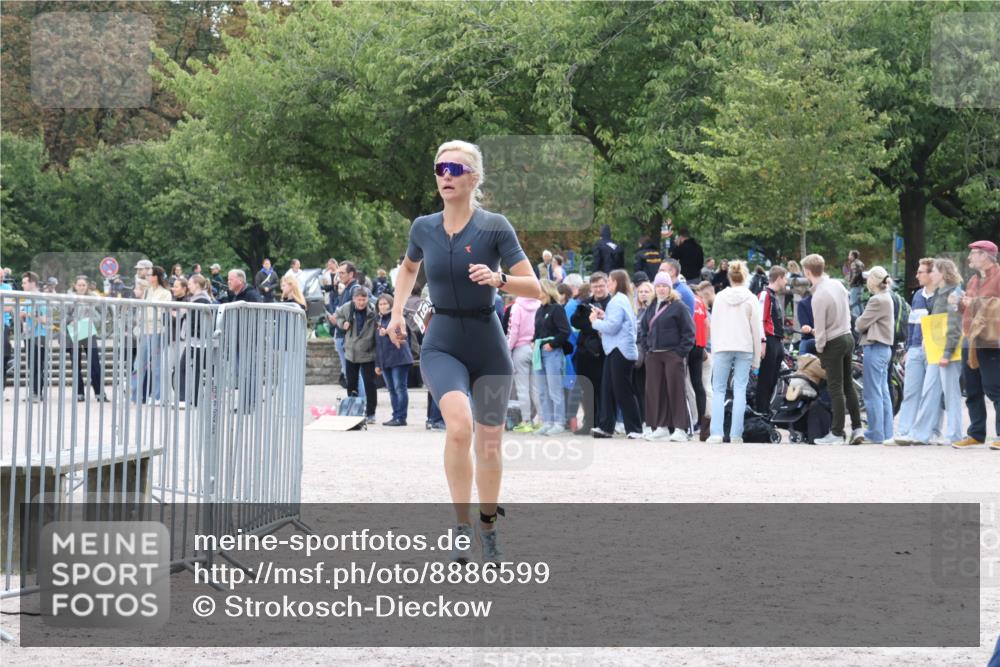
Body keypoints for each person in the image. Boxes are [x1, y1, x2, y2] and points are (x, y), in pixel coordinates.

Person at [385, 139, 540, 563]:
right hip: (443, 340)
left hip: (488, 341)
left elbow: (537, 289)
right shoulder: (423, 227)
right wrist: (397, 314)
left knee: (489, 442)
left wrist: (498, 278)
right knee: (458, 427)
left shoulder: (494, 226)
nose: (446, 176)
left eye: (455, 168)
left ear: (474, 177)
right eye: (439, 169)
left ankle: (488, 525)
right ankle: (461, 525)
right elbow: (408, 268)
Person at [899, 258, 965, 446]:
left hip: (946, 352)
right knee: (931, 391)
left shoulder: (953, 294)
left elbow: (953, 326)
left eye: (934, 271)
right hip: (937, 351)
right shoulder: (941, 294)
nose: (931, 274)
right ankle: (922, 433)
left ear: (943, 274)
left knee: (950, 394)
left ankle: (953, 435)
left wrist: (946, 353)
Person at [804, 254, 864, 445]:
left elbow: (820, 329)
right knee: (848, 385)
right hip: (847, 336)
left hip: (832, 342)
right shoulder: (837, 284)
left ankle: (837, 432)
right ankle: (857, 428)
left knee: (835, 388)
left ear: (807, 272)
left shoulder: (818, 296)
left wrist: (820, 349)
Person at [706, 261, 762, 443]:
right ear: (745, 276)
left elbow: (714, 325)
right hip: (744, 346)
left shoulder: (720, 297)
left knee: (719, 389)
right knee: (740, 389)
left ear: (729, 277)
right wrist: (756, 359)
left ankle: (716, 432)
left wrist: (714, 350)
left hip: (723, 346)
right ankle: (736, 434)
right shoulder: (751, 298)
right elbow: (756, 329)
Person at [953, 240, 1000, 450]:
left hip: (991, 341)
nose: (969, 257)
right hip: (969, 338)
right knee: (971, 388)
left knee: (994, 387)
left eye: (973, 254)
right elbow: (967, 310)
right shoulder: (973, 279)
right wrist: (961, 304)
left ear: (985, 256)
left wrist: (977, 303)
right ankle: (976, 434)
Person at [638, 273, 695, 441]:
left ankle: (680, 428)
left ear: (670, 287)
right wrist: (647, 349)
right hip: (654, 355)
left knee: (676, 390)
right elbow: (643, 330)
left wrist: (679, 354)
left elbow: (689, 332)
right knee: (656, 391)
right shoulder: (651, 306)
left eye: (664, 285)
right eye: (658, 285)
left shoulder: (678, 306)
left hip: (672, 354)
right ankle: (661, 426)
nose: (661, 288)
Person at [887, 258, 936, 445]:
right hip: (916, 349)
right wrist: (909, 348)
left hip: (933, 349)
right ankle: (904, 431)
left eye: (921, 272)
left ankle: (928, 432)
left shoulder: (940, 296)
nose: (916, 275)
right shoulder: (917, 296)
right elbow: (912, 325)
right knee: (910, 391)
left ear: (932, 274)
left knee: (931, 393)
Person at [590, 269, 643, 439]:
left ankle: (635, 428)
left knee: (622, 390)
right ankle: (606, 427)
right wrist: (604, 316)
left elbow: (613, 327)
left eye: (610, 281)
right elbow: (616, 322)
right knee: (608, 389)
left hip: (619, 350)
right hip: (616, 349)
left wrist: (595, 322)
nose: (607, 285)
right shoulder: (620, 300)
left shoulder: (617, 301)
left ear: (617, 283)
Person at [855, 266, 895, 444]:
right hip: (884, 349)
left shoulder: (876, 300)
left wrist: (858, 319)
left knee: (872, 393)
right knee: (883, 392)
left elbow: (859, 324)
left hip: (875, 347)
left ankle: (875, 432)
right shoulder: (888, 297)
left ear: (873, 281)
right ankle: (886, 432)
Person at [570, 273, 611, 435]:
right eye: (595, 287)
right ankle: (589, 422)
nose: (598, 289)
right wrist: (584, 315)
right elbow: (575, 323)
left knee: (603, 389)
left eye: (601, 286)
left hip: (603, 352)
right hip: (585, 351)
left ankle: (603, 423)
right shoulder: (586, 303)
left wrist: (594, 322)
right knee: (586, 390)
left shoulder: (612, 303)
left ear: (607, 284)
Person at [532, 280, 571, 436]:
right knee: (542, 390)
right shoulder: (539, 310)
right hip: (539, 352)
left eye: (539, 289)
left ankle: (559, 422)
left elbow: (565, 331)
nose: (537, 292)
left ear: (546, 290)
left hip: (552, 353)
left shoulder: (557, 309)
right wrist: (532, 342)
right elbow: (537, 332)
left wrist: (553, 344)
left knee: (554, 389)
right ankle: (547, 422)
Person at [336, 286, 379, 424]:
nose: (361, 303)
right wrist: (343, 324)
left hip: (368, 351)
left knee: (370, 384)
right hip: (351, 351)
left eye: (364, 299)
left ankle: (371, 413)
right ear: (354, 299)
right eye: (359, 300)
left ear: (367, 298)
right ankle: (353, 409)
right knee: (351, 383)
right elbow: (338, 317)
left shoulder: (373, 310)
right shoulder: (347, 307)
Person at [132, 266, 172, 404]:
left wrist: (148, 315)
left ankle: (156, 396)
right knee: (138, 364)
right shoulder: (147, 291)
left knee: (155, 365)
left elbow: (162, 312)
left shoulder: (165, 293)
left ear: (155, 277)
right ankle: (134, 395)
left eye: (149, 275)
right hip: (144, 330)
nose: (147, 277)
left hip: (157, 330)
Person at [65, 276, 107, 402]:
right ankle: (79, 393)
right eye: (79, 285)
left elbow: (102, 314)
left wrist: (92, 321)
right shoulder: (69, 298)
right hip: (74, 332)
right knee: (76, 364)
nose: (81, 287)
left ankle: (100, 393)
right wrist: (70, 321)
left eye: (84, 285)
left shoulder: (93, 298)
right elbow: (65, 314)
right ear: (75, 286)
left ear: (87, 286)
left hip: (88, 331)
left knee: (94, 363)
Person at [375, 294, 412, 426]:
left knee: (400, 388)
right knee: (391, 389)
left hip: (399, 358)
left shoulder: (396, 318)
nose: (383, 306)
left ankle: (401, 417)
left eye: (385, 304)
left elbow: (403, 337)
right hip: (386, 361)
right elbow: (378, 345)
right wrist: (378, 364)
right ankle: (395, 415)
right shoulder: (379, 321)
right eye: (380, 304)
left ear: (391, 304)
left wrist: (388, 333)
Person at [507, 291, 541, 432]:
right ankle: (542, 420)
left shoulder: (517, 307)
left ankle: (526, 421)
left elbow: (513, 331)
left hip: (520, 349)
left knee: (522, 388)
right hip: (535, 348)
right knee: (536, 388)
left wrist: (508, 349)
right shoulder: (539, 304)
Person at [755, 266, 788, 414]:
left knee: (773, 378)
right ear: (779, 278)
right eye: (785, 278)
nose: (786, 281)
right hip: (768, 340)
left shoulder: (773, 295)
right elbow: (760, 319)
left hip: (776, 340)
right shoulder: (765, 294)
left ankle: (766, 408)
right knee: (765, 379)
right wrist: (762, 341)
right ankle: (761, 410)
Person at [328, 260, 361, 387]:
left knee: (353, 374)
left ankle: (359, 401)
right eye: (338, 273)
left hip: (348, 336)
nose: (339, 275)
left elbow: (357, 312)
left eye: (342, 273)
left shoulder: (355, 289)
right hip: (343, 335)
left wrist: (340, 321)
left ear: (351, 274)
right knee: (350, 373)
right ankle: (356, 400)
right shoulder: (346, 289)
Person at [18, 272, 49, 401]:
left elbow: (45, 319)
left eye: (24, 282)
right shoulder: (27, 299)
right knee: (32, 365)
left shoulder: (41, 299)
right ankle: (34, 392)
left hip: (39, 336)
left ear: (32, 283)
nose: (22, 285)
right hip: (29, 335)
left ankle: (37, 393)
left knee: (38, 365)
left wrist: (28, 314)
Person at [847, 250, 866, 318]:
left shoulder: (854, 264)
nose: (848, 256)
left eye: (849, 255)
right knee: (860, 303)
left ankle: (856, 319)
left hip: (855, 286)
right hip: (861, 286)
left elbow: (854, 275)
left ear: (853, 256)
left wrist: (850, 283)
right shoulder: (861, 263)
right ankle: (863, 318)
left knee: (854, 303)